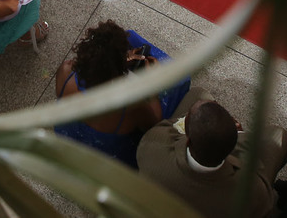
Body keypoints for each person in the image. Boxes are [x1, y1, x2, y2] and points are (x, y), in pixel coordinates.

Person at [53, 20, 191, 168]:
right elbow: (154, 123)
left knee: (130, 37)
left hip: (68, 138)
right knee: (181, 78)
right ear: (118, 72)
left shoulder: (66, 70)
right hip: (107, 158)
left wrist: (118, 61)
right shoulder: (128, 105)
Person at [137, 92, 287, 217]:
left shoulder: (151, 147)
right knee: (280, 136)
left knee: (199, 93)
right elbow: (263, 204)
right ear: (235, 145)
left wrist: (193, 124)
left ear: (188, 138)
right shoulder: (251, 192)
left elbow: (164, 128)